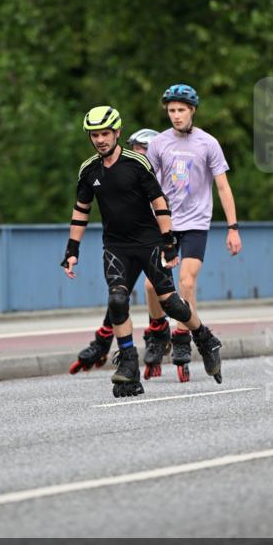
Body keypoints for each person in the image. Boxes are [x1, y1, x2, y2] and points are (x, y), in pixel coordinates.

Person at [61, 106, 223, 398]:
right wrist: (72, 250)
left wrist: (168, 241)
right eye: (94, 135)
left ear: (117, 133)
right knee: (117, 300)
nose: (100, 140)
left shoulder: (137, 163)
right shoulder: (89, 170)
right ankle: (128, 365)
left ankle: (204, 337)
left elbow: (159, 201)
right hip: (115, 246)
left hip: (148, 244)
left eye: (105, 134)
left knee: (172, 305)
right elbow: (81, 210)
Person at [143, 83, 242, 382]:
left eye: (181, 110)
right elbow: (148, 185)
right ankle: (158, 331)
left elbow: (222, 187)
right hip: (166, 224)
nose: (176, 115)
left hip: (196, 224)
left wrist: (233, 228)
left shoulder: (208, 143)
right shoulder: (159, 143)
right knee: (151, 286)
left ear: (192, 111)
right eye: (171, 110)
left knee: (186, 281)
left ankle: (182, 336)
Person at [67, 127, 160, 375]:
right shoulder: (126, 168)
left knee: (158, 288)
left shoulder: (156, 173)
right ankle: (104, 342)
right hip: (126, 241)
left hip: (157, 238)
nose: (138, 153)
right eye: (135, 148)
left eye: (144, 149)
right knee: (119, 294)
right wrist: (72, 248)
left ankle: (161, 335)